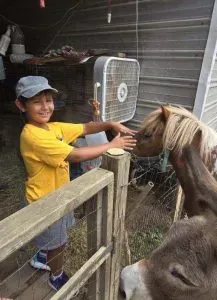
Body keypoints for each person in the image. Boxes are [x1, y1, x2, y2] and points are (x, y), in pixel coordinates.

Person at [15, 76, 136, 291]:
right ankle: (56, 275)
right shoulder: (33, 136)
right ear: (20, 105)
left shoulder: (51, 127)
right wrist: (112, 144)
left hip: (59, 195)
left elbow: (84, 128)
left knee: (56, 236)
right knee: (58, 243)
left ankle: (43, 254)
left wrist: (108, 123)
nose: (45, 107)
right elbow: (77, 155)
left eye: (48, 100)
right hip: (45, 203)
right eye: (36, 101)